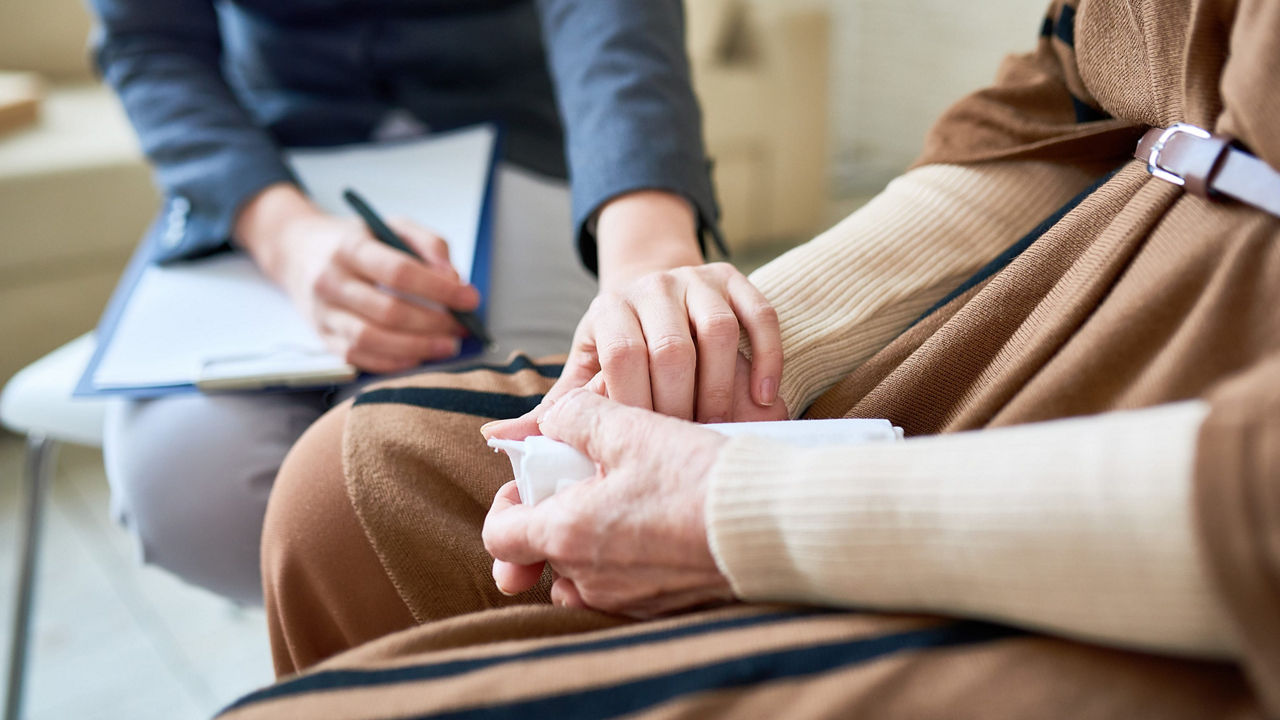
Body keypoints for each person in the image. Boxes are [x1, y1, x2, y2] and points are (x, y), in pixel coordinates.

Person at [238, 0, 1279, 716]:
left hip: (1225, 521)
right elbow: (1063, 99)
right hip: (1060, 285)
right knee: (348, 490)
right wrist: (724, 339)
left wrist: (741, 511)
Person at [89, 0, 784, 603]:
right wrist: (286, 237)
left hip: (525, 138)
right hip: (268, 168)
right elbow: (148, 40)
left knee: (503, 477)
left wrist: (648, 248)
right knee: (185, 495)